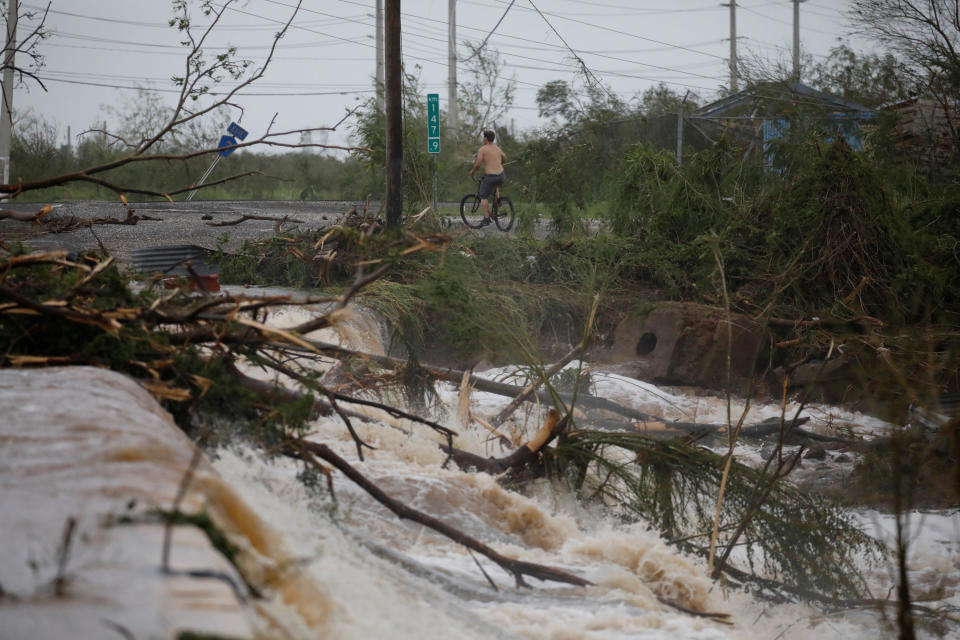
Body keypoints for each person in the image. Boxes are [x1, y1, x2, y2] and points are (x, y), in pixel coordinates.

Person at [468, 130, 506, 226]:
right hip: (501, 175)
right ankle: (497, 202)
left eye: (483, 137)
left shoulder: (483, 149)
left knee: (483, 196)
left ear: (485, 138)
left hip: (491, 176)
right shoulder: (497, 148)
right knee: (495, 185)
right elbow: (505, 158)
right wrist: (499, 163)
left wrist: (472, 172)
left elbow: (478, 164)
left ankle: (486, 218)